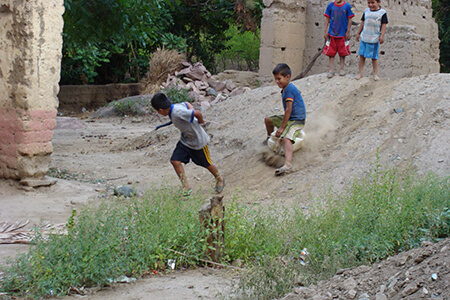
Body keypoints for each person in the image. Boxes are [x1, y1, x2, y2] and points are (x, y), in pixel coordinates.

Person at [151, 93, 224, 196]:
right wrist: (191, 109)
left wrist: (201, 122)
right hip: (186, 140)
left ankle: (219, 178)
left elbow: (197, 113)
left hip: (198, 141)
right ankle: (186, 186)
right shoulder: (175, 107)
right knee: (175, 161)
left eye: (157, 111)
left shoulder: (177, 112)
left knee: (206, 163)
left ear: (160, 110)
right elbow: (186, 103)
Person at [264, 63, 306, 176]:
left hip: (296, 120)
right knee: (268, 120)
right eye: (275, 79)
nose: (277, 81)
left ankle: (288, 164)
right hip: (290, 118)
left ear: (287, 77)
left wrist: (282, 127)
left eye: (279, 79)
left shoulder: (288, 89)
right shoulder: (287, 88)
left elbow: (288, 109)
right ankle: (269, 139)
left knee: (287, 139)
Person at [355, 0, 388, 81]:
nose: (370, 5)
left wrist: (382, 35)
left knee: (374, 57)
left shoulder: (382, 13)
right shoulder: (366, 11)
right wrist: (358, 33)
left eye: (373, 3)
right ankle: (360, 73)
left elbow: (383, 25)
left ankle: (375, 74)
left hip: (374, 38)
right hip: (364, 37)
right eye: (369, 3)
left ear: (378, 2)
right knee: (362, 56)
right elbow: (362, 23)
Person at [323, 0, 355, 78]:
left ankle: (342, 69)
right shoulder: (330, 6)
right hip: (332, 33)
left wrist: (348, 32)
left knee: (342, 52)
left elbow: (350, 20)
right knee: (331, 52)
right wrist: (325, 31)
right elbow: (327, 19)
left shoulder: (347, 6)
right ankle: (331, 70)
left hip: (342, 34)